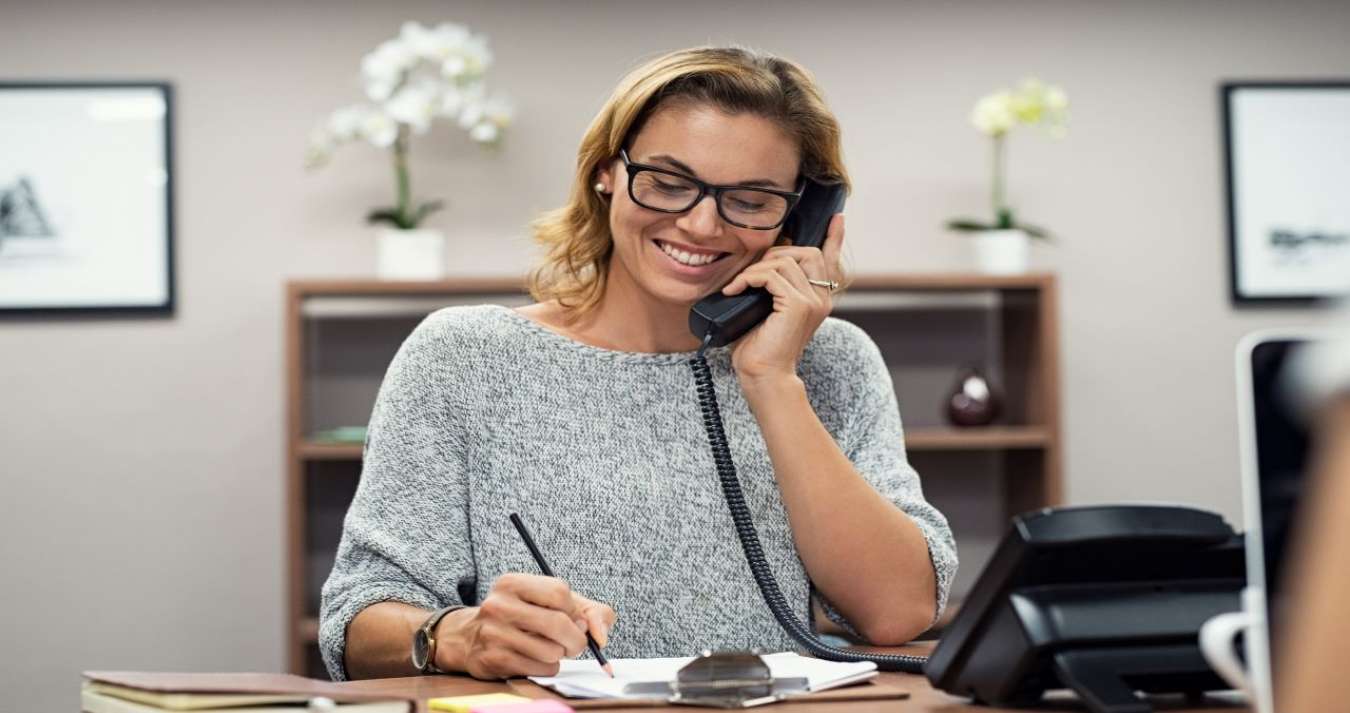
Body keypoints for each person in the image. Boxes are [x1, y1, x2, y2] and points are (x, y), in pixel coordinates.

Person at [319, 46, 957, 682]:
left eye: (753, 199)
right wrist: (457, 636)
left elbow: (895, 613)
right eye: (669, 182)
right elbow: (355, 621)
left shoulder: (831, 361)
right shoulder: (463, 356)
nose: (702, 224)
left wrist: (770, 379)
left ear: (803, 216)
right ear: (607, 172)